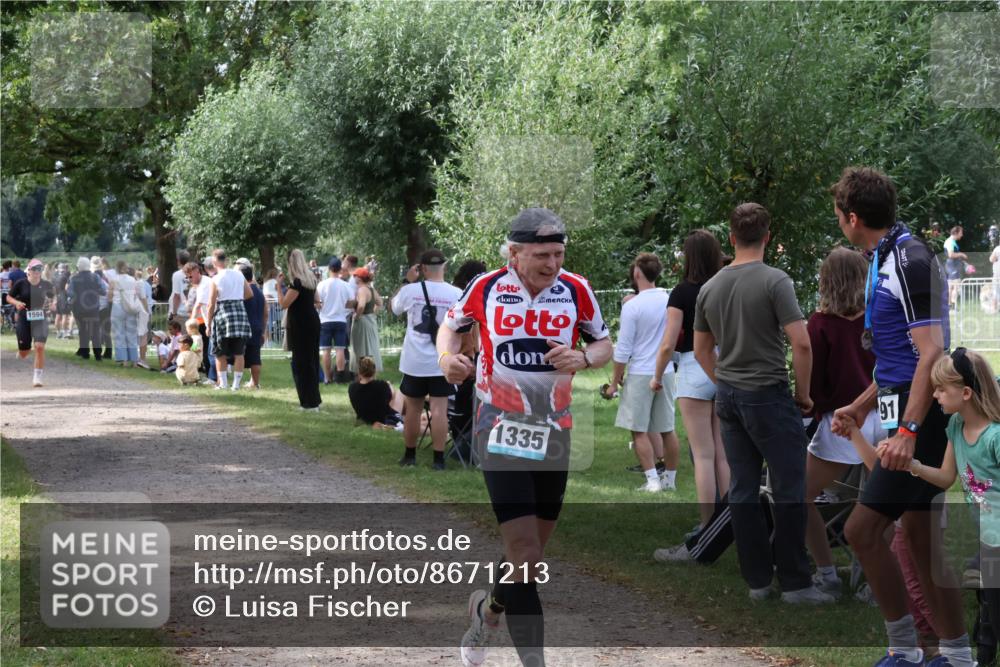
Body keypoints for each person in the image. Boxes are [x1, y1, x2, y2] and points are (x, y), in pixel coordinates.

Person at [438, 208, 612, 667]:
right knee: (527, 553)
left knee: (528, 558)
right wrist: (446, 359)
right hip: (498, 424)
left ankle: (487, 609)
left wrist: (585, 358)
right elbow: (450, 329)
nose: (552, 264)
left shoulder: (576, 290)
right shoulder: (487, 287)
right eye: (542, 255)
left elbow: (604, 343)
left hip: (555, 428)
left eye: (558, 254)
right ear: (514, 254)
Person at [830, 167, 971, 666]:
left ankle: (908, 651)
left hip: (924, 417)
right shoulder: (884, 256)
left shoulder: (908, 259)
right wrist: (863, 404)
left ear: (852, 218)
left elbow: (930, 353)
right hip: (903, 407)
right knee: (920, 537)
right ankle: (955, 657)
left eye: (839, 218)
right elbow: (897, 359)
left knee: (862, 531)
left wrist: (908, 431)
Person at [694, 202, 832, 604]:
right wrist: (803, 393)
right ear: (768, 237)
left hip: (730, 397)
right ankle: (795, 583)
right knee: (789, 487)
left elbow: (702, 351)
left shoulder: (710, 287)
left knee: (742, 489)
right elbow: (801, 342)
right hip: (768, 395)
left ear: (732, 238)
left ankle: (757, 581)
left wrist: (725, 381)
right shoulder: (775, 281)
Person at [906, 349, 1000, 666]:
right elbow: (946, 477)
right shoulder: (956, 427)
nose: (934, 395)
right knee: (988, 598)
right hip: (988, 537)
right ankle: (983, 652)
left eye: (940, 389)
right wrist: (914, 465)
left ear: (966, 392)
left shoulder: (995, 437)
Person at [801, 247, 884, 598]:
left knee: (798, 496)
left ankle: (827, 571)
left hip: (842, 421)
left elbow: (815, 382)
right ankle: (877, 579)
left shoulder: (819, 324)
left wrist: (811, 407)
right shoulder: (879, 317)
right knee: (887, 503)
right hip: (887, 414)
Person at [652, 230, 730, 544]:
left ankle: (708, 524)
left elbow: (668, 342)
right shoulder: (726, 286)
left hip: (693, 367)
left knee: (703, 455)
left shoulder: (682, 292)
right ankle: (731, 522)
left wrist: (656, 376)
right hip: (725, 364)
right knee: (724, 454)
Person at [609, 252, 679, 493]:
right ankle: (670, 479)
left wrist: (613, 381)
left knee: (638, 429)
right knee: (668, 429)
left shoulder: (633, 305)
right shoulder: (669, 300)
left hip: (640, 372)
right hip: (666, 371)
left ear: (637, 272)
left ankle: (652, 480)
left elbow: (623, 349)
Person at [391, 249, 462, 470]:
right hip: (442, 360)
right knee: (440, 409)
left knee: (413, 409)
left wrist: (406, 280)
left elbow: (394, 308)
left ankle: (410, 456)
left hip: (414, 361)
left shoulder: (410, 290)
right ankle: (438, 460)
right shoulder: (457, 293)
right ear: (445, 266)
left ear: (421, 268)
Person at [278, 249, 322, 411]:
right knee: (312, 361)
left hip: (301, 325)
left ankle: (308, 402)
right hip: (313, 321)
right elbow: (317, 300)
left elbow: (283, 304)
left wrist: (278, 287)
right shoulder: (311, 279)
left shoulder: (297, 282)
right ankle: (314, 400)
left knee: (301, 363)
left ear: (291, 263)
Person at [206, 249, 253, 391]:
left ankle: (223, 384)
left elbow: (211, 304)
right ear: (226, 260)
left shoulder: (215, 279)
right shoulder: (239, 275)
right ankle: (236, 385)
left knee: (220, 352)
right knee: (239, 353)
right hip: (239, 314)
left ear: (214, 262)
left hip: (223, 316)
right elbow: (249, 293)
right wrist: (236, 301)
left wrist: (208, 325)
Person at [6, 258, 55, 387]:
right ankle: (22, 350)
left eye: (39, 269)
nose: (37, 272)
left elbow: (53, 297)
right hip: (24, 317)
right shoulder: (20, 283)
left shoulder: (46, 284)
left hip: (40, 317)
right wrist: (16, 303)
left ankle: (37, 378)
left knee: (39, 347)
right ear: (29, 270)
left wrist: (52, 304)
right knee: (24, 352)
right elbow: (8, 297)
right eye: (34, 269)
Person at [316, 257, 353, 384]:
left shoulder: (322, 284)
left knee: (326, 350)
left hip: (325, 320)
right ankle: (340, 377)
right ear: (340, 269)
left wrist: (322, 307)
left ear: (329, 268)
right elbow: (351, 302)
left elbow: (317, 302)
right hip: (341, 320)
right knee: (340, 349)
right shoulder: (346, 285)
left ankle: (328, 378)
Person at [67, 256, 106, 360]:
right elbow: (103, 291)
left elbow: (70, 293)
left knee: (83, 330)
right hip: (93, 308)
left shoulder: (74, 278)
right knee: (95, 331)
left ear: (79, 266)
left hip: (79, 308)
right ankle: (98, 354)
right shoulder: (96, 277)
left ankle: (85, 353)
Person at [349, 356, 403, 430]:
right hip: (383, 418)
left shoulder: (352, 387)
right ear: (374, 371)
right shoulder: (382, 385)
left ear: (359, 372)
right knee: (400, 393)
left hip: (365, 419)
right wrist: (389, 385)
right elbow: (392, 396)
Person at [108, 261, 145, 368]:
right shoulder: (132, 279)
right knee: (132, 334)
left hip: (117, 307)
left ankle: (123, 360)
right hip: (130, 307)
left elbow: (109, 296)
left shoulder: (113, 280)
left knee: (119, 334)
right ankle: (134, 361)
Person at [238, 261, 267, 390]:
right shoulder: (260, 292)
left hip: (244, 327)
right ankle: (255, 383)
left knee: (239, 354)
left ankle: (235, 383)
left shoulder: (242, 291)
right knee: (255, 357)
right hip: (257, 327)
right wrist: (263, 330)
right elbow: (266, 312)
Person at [350, 267, 383, 376]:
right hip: (370, 320)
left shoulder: (362, 289)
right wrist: (373, 313)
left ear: (359, 278)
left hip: (362, 322)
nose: (354, 278)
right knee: (371, 347)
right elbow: (380, 303)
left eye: (355, 276)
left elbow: (361, 306)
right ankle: (371, 373)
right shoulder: (371, 289)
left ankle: (364, 374)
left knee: (362, 348)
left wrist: (357, 316)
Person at [92, 256, 113, 360]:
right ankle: (108, 352)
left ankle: (98, 352)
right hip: (106, 308)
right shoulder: (106, 281)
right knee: (106, 331)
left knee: (97, 331)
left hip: (97, 308)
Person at [944, 225, 968, 309]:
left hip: (952, 266)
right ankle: (951, 306)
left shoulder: (952, 241)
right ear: (956, 233)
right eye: (961, 233)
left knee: (952, 286)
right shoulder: (950, 241)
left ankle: (950, 305)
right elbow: (951, 255)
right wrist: (961, 254)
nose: (962, 235)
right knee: (955, 286)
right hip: (952, 266)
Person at [136, 266, 154, 369]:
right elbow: (146, 298)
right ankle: (142, 358)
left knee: (137, 335)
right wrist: (147, 312)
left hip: (135, 311)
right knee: (143, 336)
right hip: (143, 311)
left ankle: (137, 358)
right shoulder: (145, 284)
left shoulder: (134, 284)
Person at [169, 250, 190, 321]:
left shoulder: (177, 275)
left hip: (181, 311)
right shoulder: (196, 273)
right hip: (193, 310)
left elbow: (177, 295)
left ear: (178, 261)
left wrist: (174, 313)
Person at [53, 263, 72, 339]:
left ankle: (58, 332)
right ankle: (64, 333)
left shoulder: (55, 276)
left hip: (57, 296)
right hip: (64, 296)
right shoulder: (66, 275)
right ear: (64, 268)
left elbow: (53, 288)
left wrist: (54, 298)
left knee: (58, 315)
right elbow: (67, 287)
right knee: (65, 315)